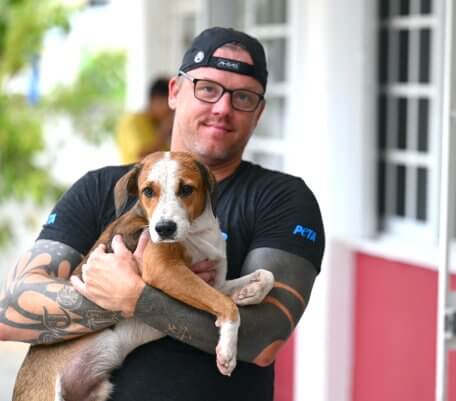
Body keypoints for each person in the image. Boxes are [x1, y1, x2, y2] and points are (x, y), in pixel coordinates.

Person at [0, 27, 324, 401]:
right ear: (174, 92)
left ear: (260, 112)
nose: (222, 107)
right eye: (207, 88)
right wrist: (118, 295)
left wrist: (139, 297)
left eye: (244, 97)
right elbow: (10, 312)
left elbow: (264, 338)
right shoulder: (101, 188)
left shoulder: (282, 198)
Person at [116, 76, 174, 164]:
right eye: (170, 107)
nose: (172, 112)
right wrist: (163, 132)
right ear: (156, 100)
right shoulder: (134, 121)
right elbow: (142, 156)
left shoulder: (157, 125)